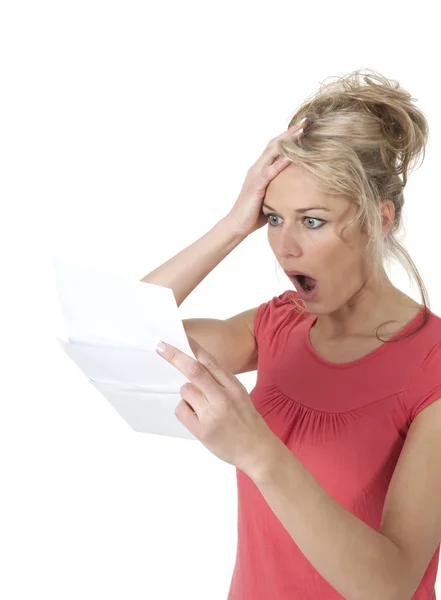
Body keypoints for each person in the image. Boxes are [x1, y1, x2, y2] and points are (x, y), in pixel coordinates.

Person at [141, 68, 441, 599]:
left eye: (313, 221)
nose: (285, 249)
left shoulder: (432, 366)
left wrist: (259, 452)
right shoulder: (277, 325)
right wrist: (234, 223)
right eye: (274, 219)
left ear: (381, 218)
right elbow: (125, 335)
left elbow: (392, 586)